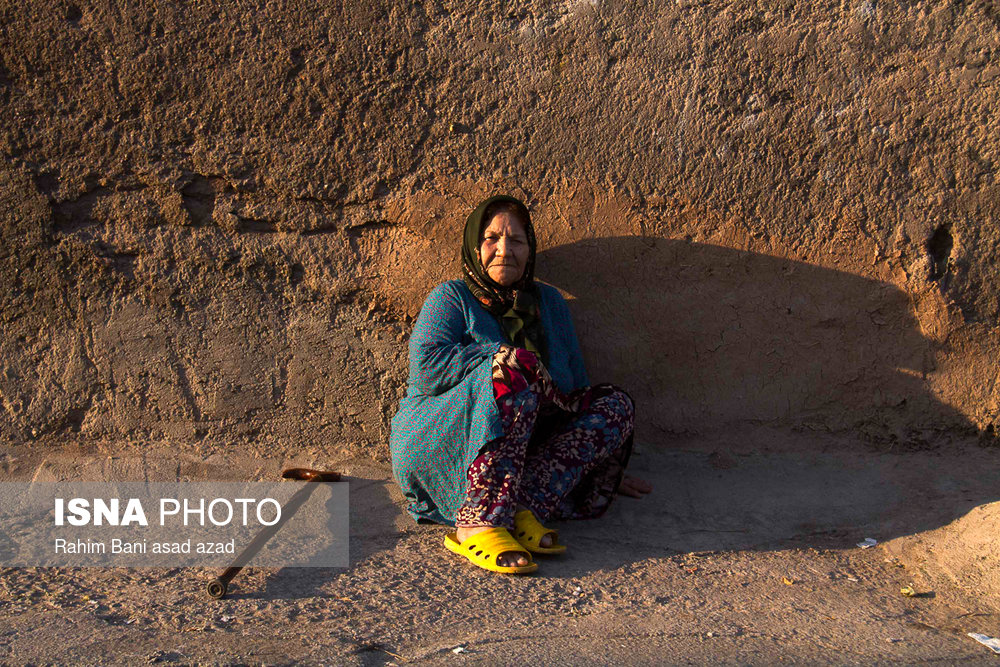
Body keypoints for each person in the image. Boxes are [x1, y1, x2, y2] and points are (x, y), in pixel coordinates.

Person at [390, 195, 651, 574]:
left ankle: (522, 503)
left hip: (523, 452)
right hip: (446, 439)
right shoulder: (452, 298)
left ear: (530, 250)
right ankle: (478, 521)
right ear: (474, 246)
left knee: (615, 404)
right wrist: (503, 359)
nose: (504, 250)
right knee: (513, 367)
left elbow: (575, 389)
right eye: (492, 238)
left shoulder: (549, 303)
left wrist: (593, 461)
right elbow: (428, 369)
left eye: (517, 240)